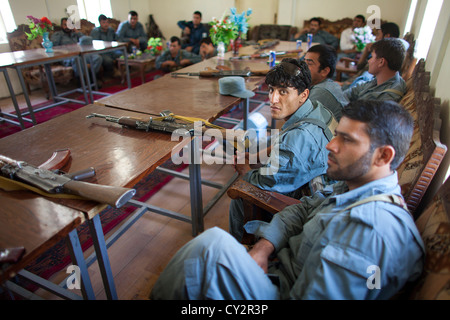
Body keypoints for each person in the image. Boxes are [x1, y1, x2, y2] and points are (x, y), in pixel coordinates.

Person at [150, 99, 425, 300]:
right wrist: (264, 248)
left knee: (211, 248)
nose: (331, 144)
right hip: (276, 270)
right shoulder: (357, 187)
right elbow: (304, 209)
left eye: (346, 139)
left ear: (383, 156)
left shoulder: (369, 232)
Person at [229, 58, 336, 242]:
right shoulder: (318, 109)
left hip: (311, 205)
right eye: (271, 90)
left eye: (283, 92)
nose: (273, 99)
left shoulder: (297, 139)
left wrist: (245, 172)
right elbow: (286, 141)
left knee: (239, 194)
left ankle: (238, 251)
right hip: (321, 180)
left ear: (303, 95)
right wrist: (259, 155)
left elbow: (268, 181)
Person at [343, 38, 406, 103]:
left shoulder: (387, 97)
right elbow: (353, 91)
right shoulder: (381, 80)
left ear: (381, 62)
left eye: (372, 57)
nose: (369, 61)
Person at [305, 44, 347, 120]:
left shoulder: (320, 92)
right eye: (304, 61)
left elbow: (300, 123)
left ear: (324, 71)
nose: (303, 67)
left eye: (309, 64)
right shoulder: (329, 84)